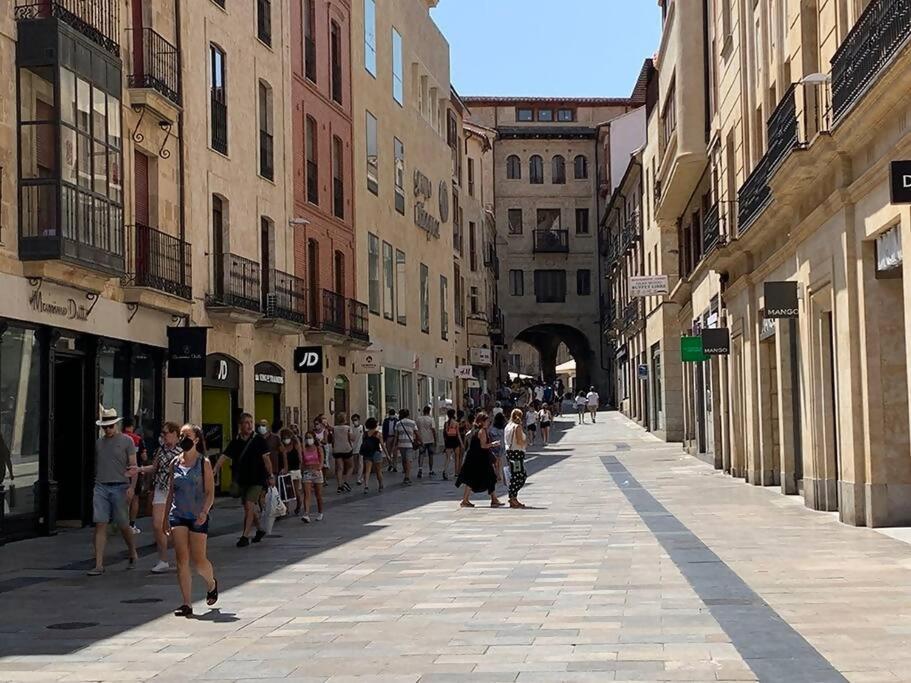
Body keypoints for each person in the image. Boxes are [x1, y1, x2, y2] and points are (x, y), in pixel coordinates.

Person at [163, 424, 217, 618]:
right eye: (182, 435)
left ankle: (211, 583)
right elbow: (171, 491)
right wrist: (165, 518)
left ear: (196, 439)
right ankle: (187, 603)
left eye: (187, 435)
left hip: (197, 515)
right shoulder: (175, 463)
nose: (183, 438)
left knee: (199, 560)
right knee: (181, 559)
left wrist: (204, 510)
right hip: (178, 514)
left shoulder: (204, 463)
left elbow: (210, 492)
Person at [88, 409, 139, 576]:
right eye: (105, 427)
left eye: (110, 426)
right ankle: (99, 564)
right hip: (101, 485)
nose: (108, 430)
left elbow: (133, 466)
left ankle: (132, 551)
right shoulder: (98, 443)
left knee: (123, 524)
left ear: (116, 424)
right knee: (100, 523)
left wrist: (132, 487)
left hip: (120, 486)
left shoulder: (127, 441)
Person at [213, 412, 274, 548]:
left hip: (257, 479)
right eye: (246, 423)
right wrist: (216, 468)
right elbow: (224, 456)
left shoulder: (259, 440)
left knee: (248, 505)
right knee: (249, 508)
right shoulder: (236, 441)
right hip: (242, 479)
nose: (249, 425)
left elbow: (266, 460)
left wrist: (271, 476)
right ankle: (260, 530)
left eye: (251, 422)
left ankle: (245, 536)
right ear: (240, 425)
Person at [135, 421, 182, 574]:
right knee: (157, 524)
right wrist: (140, 469)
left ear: (175, 434)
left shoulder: (182, 451)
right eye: (162, 433)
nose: (163, 435)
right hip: (161, 489)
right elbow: (154, 467)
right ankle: (163, 560)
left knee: (175, 527)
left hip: (176, 491)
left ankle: (181, 558)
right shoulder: (160, 450)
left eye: (166, 432)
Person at [456, 412, 503, 508]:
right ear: (481, 421)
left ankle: (493, 499)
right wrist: (493, 444)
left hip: (474, 458)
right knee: (478, 478)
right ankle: (465, 500)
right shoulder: (482, 431)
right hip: (480, 459)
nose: (488, 422)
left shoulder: (475, 430)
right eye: (486, 421)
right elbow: (483, 445)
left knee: (486, 478)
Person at [122, 417, 147, 535]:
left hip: (120, 471)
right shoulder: (138, 439)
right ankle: (131, 524)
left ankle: (122, 523)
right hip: (134, 472)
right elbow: (144, 457)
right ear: (133, 426)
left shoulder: (119, 438)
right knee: (135, 498)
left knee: (122, 499)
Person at [503, 408, 529, 508]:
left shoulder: (507, 426)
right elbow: (519, 441)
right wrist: (525, 442)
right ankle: (512, 497)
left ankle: (513, 497)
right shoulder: (517, 427)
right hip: (517, 453)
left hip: (509, 453)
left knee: (515, 475)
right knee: (520, 476)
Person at [299, 430, 324, 522]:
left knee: (318, 494)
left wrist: (319, 468)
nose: (308, 440)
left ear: (314, 438)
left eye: (310, 437)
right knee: (307, 494)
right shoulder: (303, 449)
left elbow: (321, 459)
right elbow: (302, 461)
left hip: (317, 472)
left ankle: (320, 512)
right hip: (307, 472)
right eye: (306, 438)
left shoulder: (318, 448)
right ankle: (306, 514)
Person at [278, 428, 303, 515]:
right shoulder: (283, 446)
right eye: (284, 438)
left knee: (294, 490)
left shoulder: (295, 444)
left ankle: (298, 504)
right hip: (288, 470)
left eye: (286, 437)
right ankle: (287, 508)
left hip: (294, 470)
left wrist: (300, 468)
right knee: (286, 490)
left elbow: (300, 458)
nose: (285, 439)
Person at [393, 408, 420, 486]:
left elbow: (396, 436)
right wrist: (420, 441)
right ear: (408, 415)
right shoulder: (412, 423)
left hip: (401, 444)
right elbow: (417, 433)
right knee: (409, 461)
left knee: (404, 460)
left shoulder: (398, 423)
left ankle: (406, 474)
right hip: (409, 444)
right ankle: (407, 477)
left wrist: (394, 445)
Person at [359, 417, 386, 493]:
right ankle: (380, 485)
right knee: (378, 470)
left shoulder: (365, 434)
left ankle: (366, 486)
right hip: (377, 453)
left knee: (367, 471)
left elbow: (363, 443)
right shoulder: (378, 434)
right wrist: (388, 455)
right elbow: (382, 445)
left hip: (367, 453)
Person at [332, 412, 355, 494]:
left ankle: (339, 486)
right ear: (345, 419)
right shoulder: (348, 428)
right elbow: (352, 438)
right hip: (347, 449)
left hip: (337, 449)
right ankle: (346, 482)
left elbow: (333, 439)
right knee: (351, 466)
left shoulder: (334, 428)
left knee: (340, 468)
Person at [415, 406, 436, 479]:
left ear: (423, 411)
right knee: (431, 455)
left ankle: (420, 469)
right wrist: (435, 439)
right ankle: (431, 470)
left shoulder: (418, 419)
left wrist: (417, 438)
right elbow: (433, 430)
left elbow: (416, 429)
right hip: (430, 439)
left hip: (421, 439)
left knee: (421, 454)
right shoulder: (431, 419)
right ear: (429, 411)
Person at [441, 408, 461, 481]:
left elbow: (444, 433)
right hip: (455, 440)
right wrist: (461, 443)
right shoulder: (456, 423)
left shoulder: (446, 423)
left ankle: (445, 470)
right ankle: (456, 472)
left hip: (448, 441)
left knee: (448, 457)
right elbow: (458, 434)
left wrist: (445, 442)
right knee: (457, 457)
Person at [488, 412, 506, 487]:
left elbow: (489, 436)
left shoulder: (492, 428)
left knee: (495, 462)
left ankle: (497, 474)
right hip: (501, 446)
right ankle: (499, 475)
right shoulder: (503, 428)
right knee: (499, 461)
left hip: (494, 446)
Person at [350, 414, 365, 486]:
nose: (354, 421)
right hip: (353, 448)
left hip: (361, 448)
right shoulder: (351, 429)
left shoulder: (363, 427)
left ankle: (359, 479)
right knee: (355, 465)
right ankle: (358, 476)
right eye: (353, 420)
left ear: (359, 420)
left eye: (356, 420)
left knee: (360, 463)